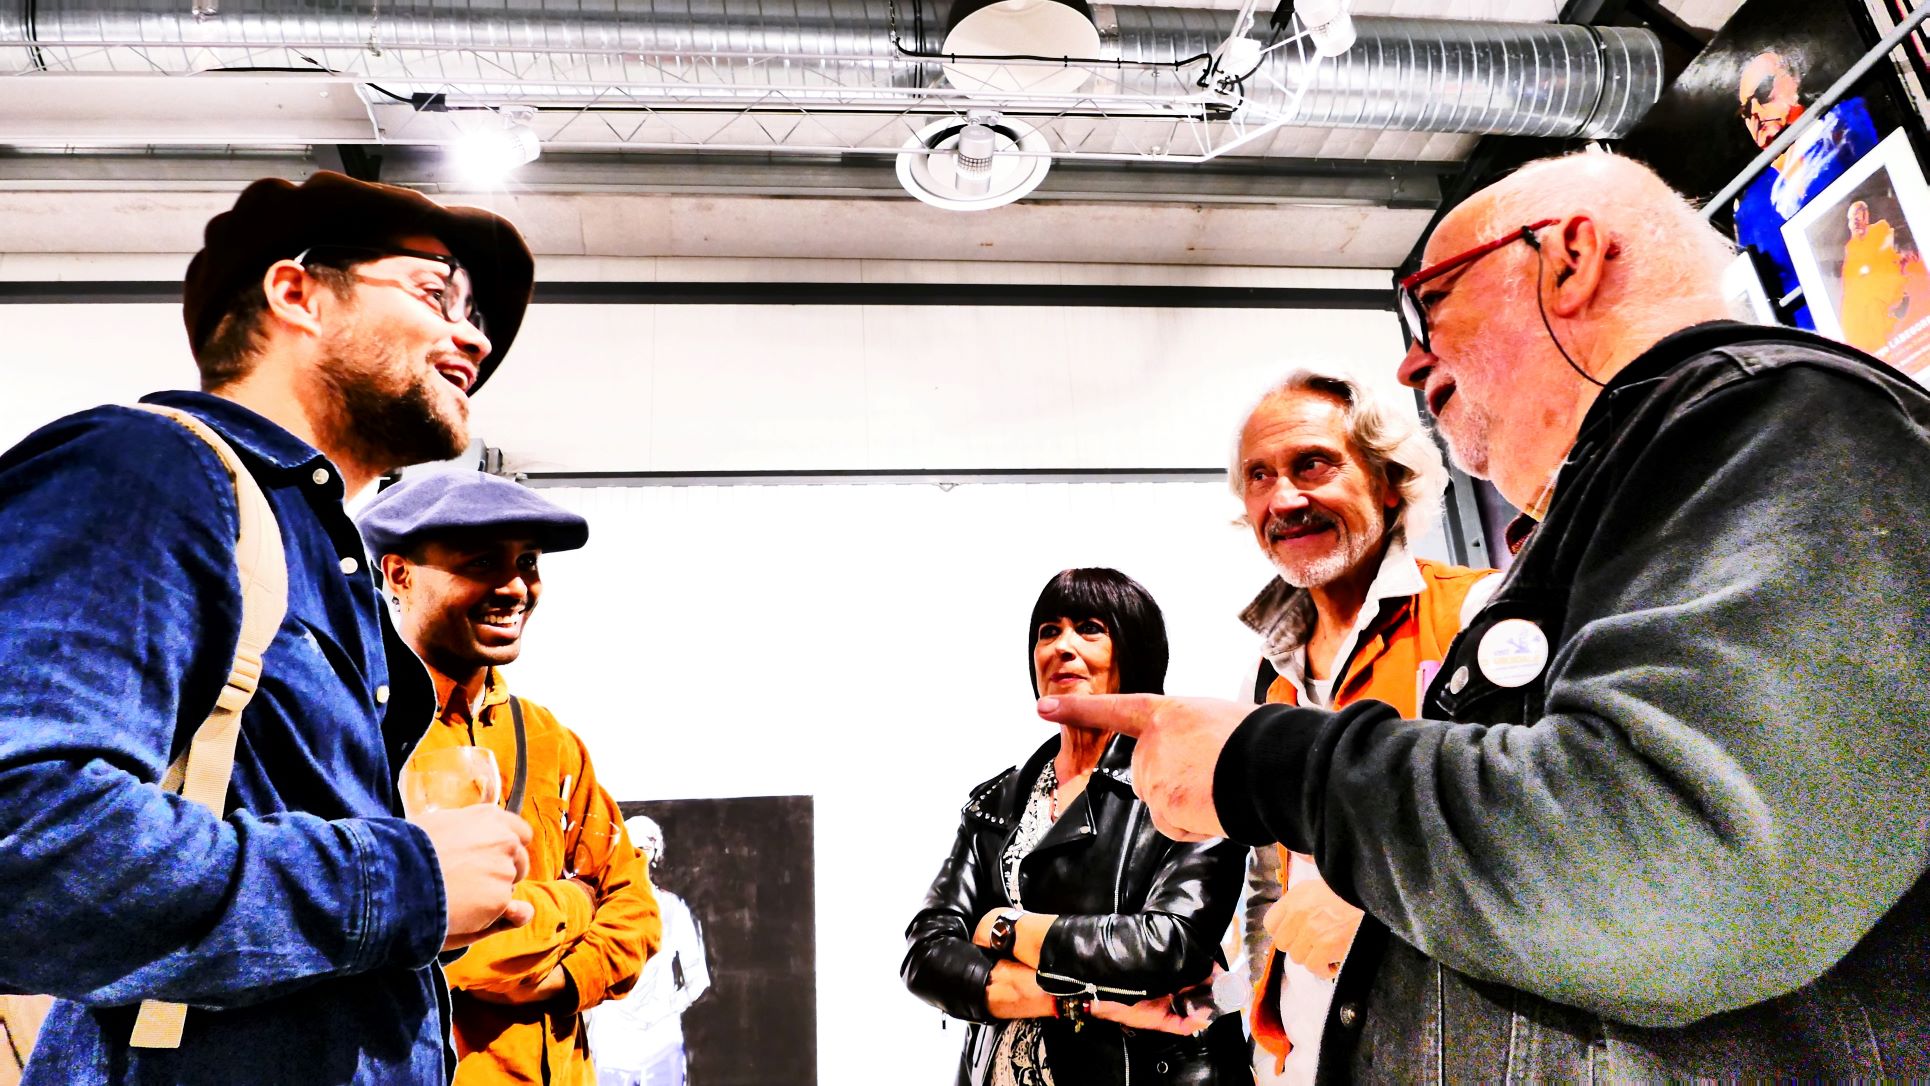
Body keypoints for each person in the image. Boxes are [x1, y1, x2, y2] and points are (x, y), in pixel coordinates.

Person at [1040, 151, 1930, 1077]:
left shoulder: (1771, 420)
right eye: (1257, 477)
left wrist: (1262, 763)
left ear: (1569, 259)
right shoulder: (1607, 516)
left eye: (1434, 301)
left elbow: (1674, 874)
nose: (1410, 360)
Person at [0, 171, 540, 1084]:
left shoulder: (319, 557)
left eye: (478, 314)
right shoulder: (150, 469)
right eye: (436, 293)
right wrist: (401, 882)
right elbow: (26, 845)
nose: (475, 337)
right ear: (296, 293)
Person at [1228, 366, 1494, 1083]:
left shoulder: (1479, 617)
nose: (1284, 499)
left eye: (1312, 464)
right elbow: (1269, 881)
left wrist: (1376, 923)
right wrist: (1266, 1050)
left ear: (1387, 480)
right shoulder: (1268, 678)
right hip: (1302, 1055)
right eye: (1259, 476)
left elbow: (1535, 844)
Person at [357, 470, 662, 1086]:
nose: (516, 587)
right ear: (398, 574)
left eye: (527, 562)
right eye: (481, 562)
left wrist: (562, 980)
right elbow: (397, 939)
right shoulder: (357, 731)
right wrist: (572, 904)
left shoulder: (549, 738)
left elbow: (635, 910)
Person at [902, 568, 1250, 1086]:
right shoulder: (996, 802)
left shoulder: (1190, 780)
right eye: (1048, 631)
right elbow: (927, 956)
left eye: (1089, 629)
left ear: (1133, 651)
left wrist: (1006, 928)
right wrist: (1087, 1003)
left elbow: (1169, 948)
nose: (1062, 647)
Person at [1729, 48, 1879, 327]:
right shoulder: (1750, 209)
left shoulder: (1846, 123)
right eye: (1746, 111)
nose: (1757, 114)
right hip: (1824, 333)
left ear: (1795, 79)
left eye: (1764, 92)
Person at [584, 815, 712, 1086]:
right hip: (610, 1048)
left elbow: (698, 979)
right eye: (629, 849)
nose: (636, 857)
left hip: (660, 1049)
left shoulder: (673, 909)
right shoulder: (599, 909)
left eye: (644, 849)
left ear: (656, 854)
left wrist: (665, 1008)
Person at [1837, 199, 1905, 352]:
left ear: (1866, 216)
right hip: (1863, 294)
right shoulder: (1850, 247)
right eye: (1851, 219)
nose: (1855, 221)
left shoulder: (1881, 228)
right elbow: (1849, 279)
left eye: (1858, 215)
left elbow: (1887, 254)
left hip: (1884, 282)